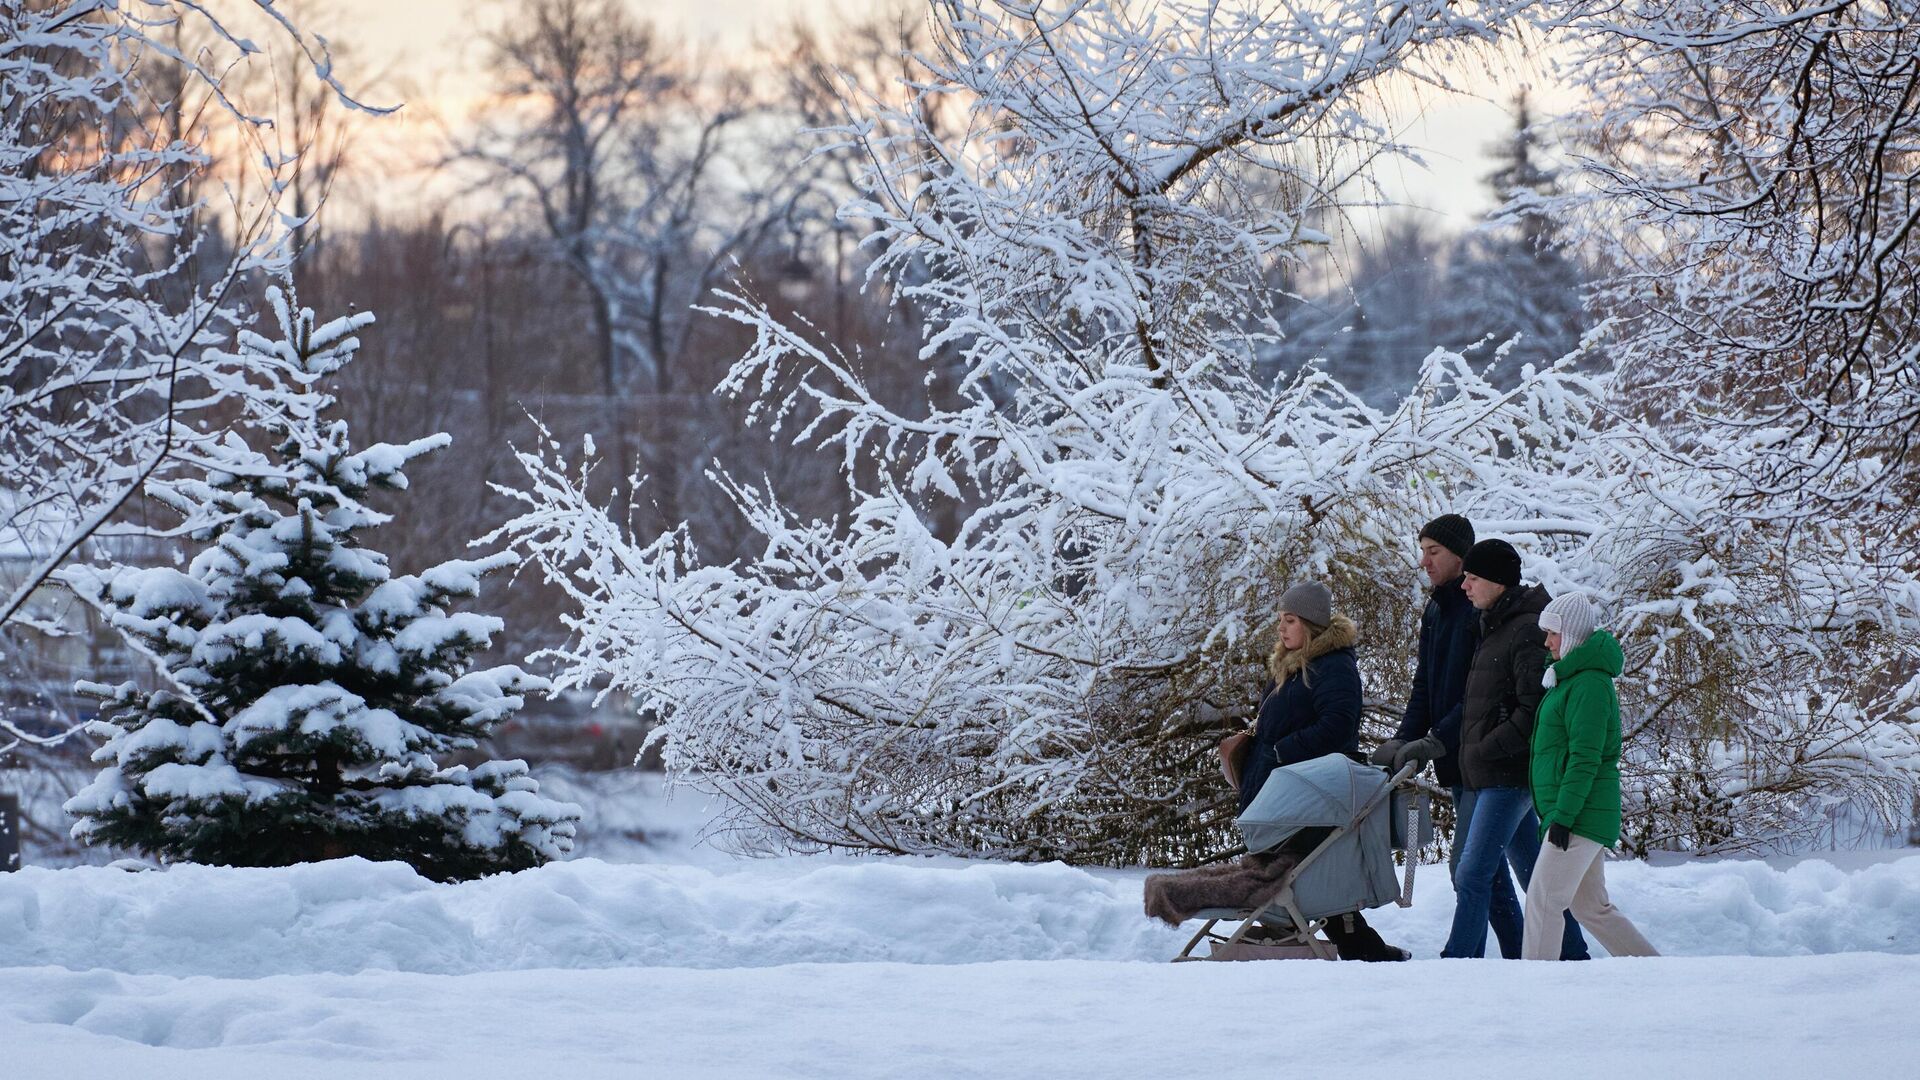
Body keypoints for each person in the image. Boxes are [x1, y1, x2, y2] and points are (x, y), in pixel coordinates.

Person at [1424, 539, 1589, 960]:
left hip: (1509, 774)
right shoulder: (1494, 624)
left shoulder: (1526, 629)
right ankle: (1568, 956)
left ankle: (1458, 962)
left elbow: (1532, 711)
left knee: (1473, 872)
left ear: (1497, 581)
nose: (1465, 587)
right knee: (1534, 875)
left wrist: (1484, 748)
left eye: (1474, 579)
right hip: (1491, 771)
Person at [1231, 581, 1409, 962]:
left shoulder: (1334, 667)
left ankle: (1354, 946)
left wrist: (1282, 750)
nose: (1281, 628)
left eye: (1290, 620)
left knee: (1302, 870)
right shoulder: (1291, 665)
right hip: (1277, 783)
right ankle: (1350, 945)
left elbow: (1338, 726)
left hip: (1305, 790)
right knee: (1296, 869)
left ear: (1311, 624)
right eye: (1280, 619)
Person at [1523, 594, 1659, 960]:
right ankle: (1656, 972)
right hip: (1578, 811)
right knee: (1591, 908)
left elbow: (1586, 758)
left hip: (1579, 813)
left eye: (1553, 633)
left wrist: (1563, 817)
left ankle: (1531, 991)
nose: (1547, 642)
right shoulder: (1569, 679)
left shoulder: (1589, 684)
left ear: (1571, 634)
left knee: (1544, 901)